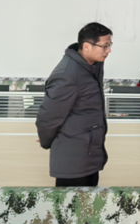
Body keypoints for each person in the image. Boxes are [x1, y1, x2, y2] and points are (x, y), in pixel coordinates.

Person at [36, 22, 112, 187]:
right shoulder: (67, 74)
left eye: (109, 45)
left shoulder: (92, 65)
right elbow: (49, 116)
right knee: (71, 203)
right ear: (86, 46)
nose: (108, 50)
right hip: (73, 159)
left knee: (89, 202)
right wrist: (46, 141)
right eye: (105, 46)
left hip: (89, 155)